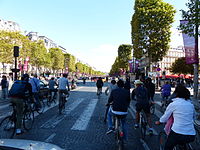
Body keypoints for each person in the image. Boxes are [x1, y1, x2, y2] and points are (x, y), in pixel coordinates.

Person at [155, 85, 196, 150]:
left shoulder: (174, 104)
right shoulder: (191, 104)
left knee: (167, 147)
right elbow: (193, 117)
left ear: (176, 94)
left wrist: (159, 121)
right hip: (191, 134)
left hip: (177, 133)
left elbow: (165, 117)